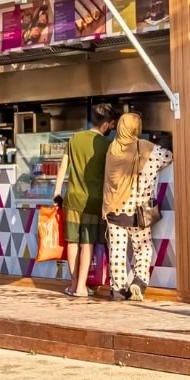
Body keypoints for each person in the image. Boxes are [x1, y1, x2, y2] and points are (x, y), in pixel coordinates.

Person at [102, 112, 172, 302]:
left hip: (114, 210)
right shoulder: (145, 147)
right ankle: (139, 282)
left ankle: (118, 290)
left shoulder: (112, 149)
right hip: (138, 211)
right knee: (143, 248)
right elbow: (169, 157)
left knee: (117, 251)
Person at [52, 103, 117, 298]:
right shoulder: (107, 145)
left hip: (72, 198)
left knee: (72, 242)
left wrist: (57, 192)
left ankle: (73, 285)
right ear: (105, 124)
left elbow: (63, 167)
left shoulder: (74, 138)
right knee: (87, 243)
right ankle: (81, 286)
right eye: (112, 125)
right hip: (93, 201)